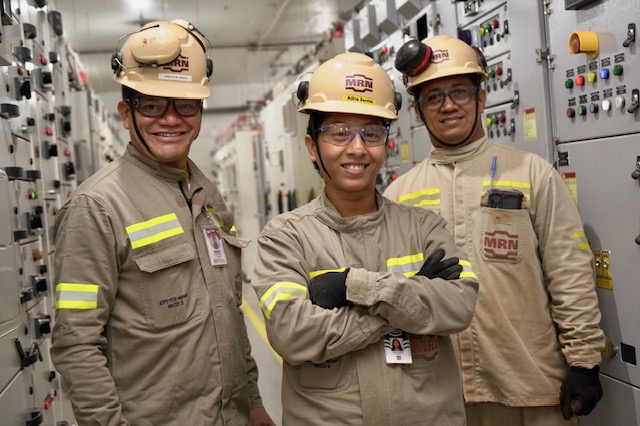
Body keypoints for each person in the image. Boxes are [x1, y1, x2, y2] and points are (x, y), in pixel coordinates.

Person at [50, 19, 274, 426]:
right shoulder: (96, 207)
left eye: (184, 104)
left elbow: (227, 312)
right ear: (125, 112)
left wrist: (254, 403)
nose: (170, 119)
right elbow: (75, 343)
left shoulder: (206, 194)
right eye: (151, 104)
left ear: (200, 110)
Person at [386, 34, 605, 426]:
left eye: (459, 92)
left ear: (481, 99)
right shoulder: (400, 194)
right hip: (442, 394)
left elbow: (569, 271)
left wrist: (584, 362)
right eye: (433, 97)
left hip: (533, 386)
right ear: (418, 112)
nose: (448, 105)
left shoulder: (532, 174)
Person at [251, 52, 479, 425]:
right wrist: (407, 304)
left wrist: (354, 286)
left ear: (385, 143)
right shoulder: (285, 237)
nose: (357, 148)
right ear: (313, 147)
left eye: (371, 133)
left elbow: (460, 305)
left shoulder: (423, 226)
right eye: (339, 133)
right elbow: (292, 334)